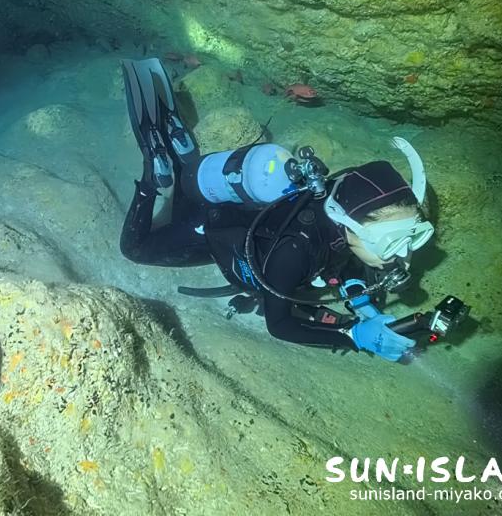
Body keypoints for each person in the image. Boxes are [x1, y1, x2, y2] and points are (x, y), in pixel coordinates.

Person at [118, 58, 436, 363]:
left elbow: (345, 261)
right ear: (348, 222)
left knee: (185, 190)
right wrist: (350, 334)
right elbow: (279, 324)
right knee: (135, 249)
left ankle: (181, 152)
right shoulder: (296, 250)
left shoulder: (337, 217)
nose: (401, 254)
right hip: (210, 225)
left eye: (411, 237)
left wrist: (363, 303)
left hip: (232, 209)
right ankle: (152, 178)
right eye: (390, 241)